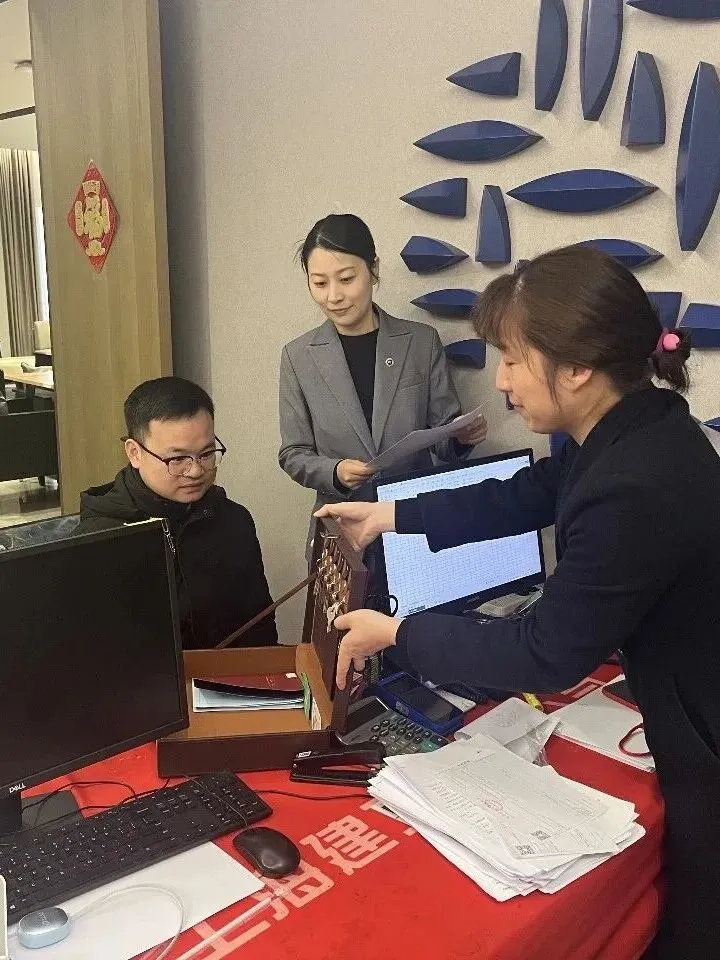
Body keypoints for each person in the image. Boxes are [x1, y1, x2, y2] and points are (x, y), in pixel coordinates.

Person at [317, 247, 720, 959]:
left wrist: (400, 633)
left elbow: (545, 652)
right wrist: (394, 516)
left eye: (512, 358)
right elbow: (533, 494)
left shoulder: (635, 482)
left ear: (577, 367)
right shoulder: (634, 422)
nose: (500, 380)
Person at [278, 213, 487, 556]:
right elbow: (293, 454)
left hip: (413, 521)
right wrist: (335, 471)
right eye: (319, 283)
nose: (334, 296)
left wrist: (460, 439)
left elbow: (442, 435)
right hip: (342, 531)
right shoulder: (298, 357)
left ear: (373, 270)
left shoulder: (420, 342)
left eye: (346, 279)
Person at [76, 376, 277, 649]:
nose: (195, 471)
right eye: (178, 459)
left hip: (231, 673)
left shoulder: (233, 520)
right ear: (134, 453)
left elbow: (259, 625)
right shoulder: (100, 539)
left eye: (206, 454)